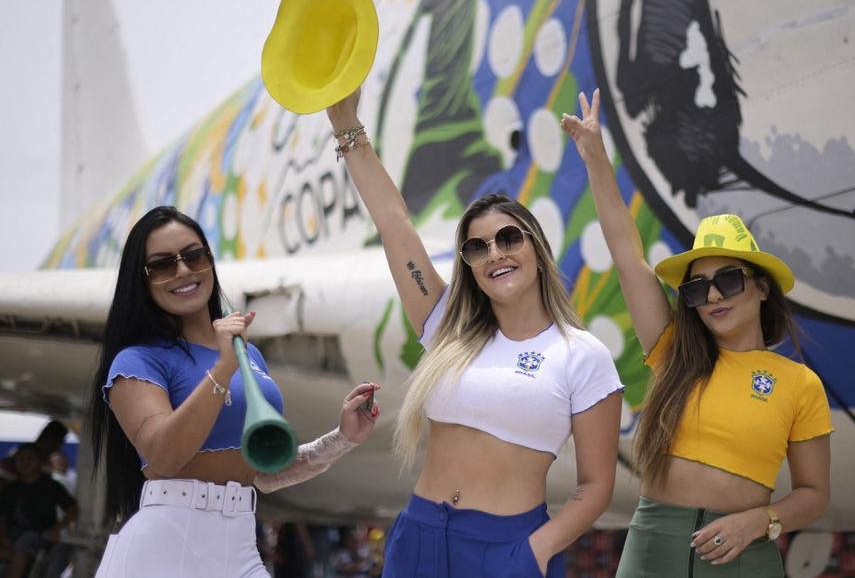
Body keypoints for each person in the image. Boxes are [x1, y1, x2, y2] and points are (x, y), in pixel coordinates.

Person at [326, 89, 624, 578]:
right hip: (419, 536)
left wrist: (536, 551)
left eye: (509, 238)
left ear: (536, 248)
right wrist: (346, 126)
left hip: (506, 549)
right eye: (476, 247)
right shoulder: (445, 325)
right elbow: (394, 223)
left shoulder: (581, 355)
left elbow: (596, 488)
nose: (495, 254)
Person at [563, 90, 833, 577]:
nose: (712, 297)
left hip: (742, 551)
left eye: (728, 280)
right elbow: (627, 252)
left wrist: (759, 521)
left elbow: (814, 494)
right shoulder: (672, 352)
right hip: (652, 547)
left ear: (763, 289)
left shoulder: (800, 384)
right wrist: (596, 158)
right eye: (697, 288)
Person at [87, 206, 380, 578]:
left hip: (239, 541)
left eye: (194, 256)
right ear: (141, 281)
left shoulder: (248, 354)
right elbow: (162, 458)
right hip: (166, 548)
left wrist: (343, 438)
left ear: (209, 260)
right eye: (162, 265)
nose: (183, 271)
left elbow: (265, 472)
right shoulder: (138, 360)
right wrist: (223, 367)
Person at [0, 443, 78, 578]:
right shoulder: (11, 489)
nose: (25, 463)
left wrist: (56, 529)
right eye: (21, 459)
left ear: (40, 461)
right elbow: (1, 517)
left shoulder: (52, 485)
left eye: (30, 458)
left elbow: (72, 508)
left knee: (28, 541)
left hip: (42, 536)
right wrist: (4, 539)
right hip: (12, 538)